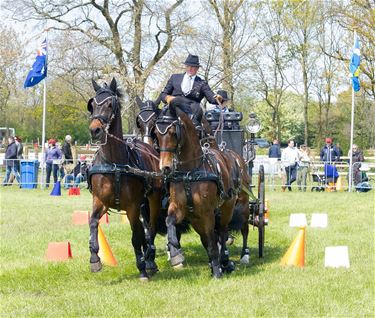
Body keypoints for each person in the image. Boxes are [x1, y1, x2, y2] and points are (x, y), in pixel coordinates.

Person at [161, 54, 223, 128]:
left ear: (197, 69)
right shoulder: (174, 78)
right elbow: (163, 94)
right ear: (185, 66)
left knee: (198, 112)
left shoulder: (202, 83)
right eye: (188, 66)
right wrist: (167, 98)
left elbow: (211, 98)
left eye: (193, 67)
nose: (190, 69)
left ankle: (197, 134)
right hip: (174, 107)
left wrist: (218, 98)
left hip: (192, 110)